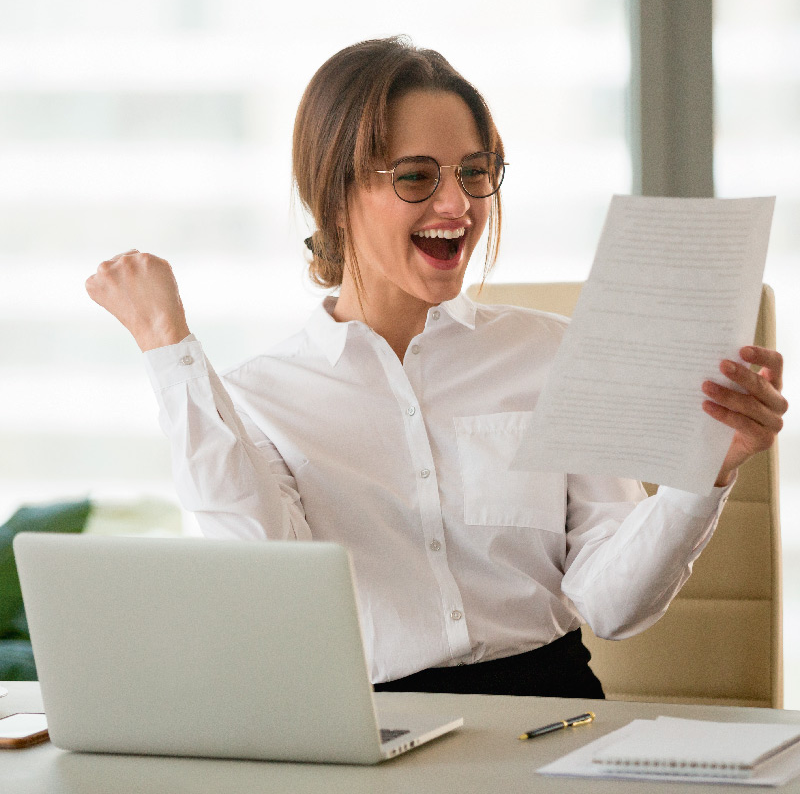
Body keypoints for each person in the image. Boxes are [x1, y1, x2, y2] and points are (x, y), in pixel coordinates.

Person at [85, 37, 787, 698]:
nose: (458, 206)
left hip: (552, 713)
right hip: (371, 731)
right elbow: (264, 575)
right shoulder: (262, 398)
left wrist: (706, 469)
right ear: (334, 195)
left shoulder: (554, 353)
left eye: (475, 173)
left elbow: (609, 603)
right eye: (417, 177)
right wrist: (167, 346)